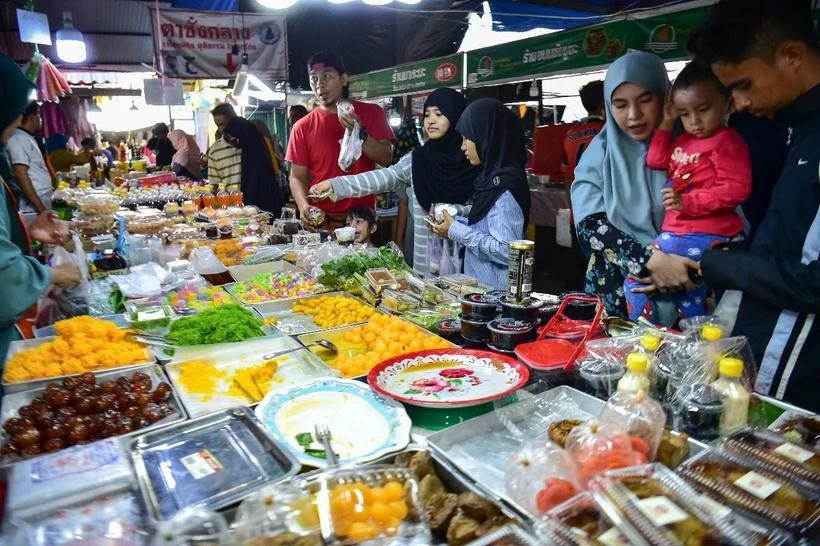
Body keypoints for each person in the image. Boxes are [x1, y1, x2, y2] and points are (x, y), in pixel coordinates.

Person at [687, 0, 820, 411]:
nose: (740, 104)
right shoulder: (798, 128)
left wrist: (716, 264)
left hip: (799, 366)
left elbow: (813, 280)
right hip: (763, 344)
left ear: (792, 56)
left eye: (743, 85)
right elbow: (790, 238)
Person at [571, 51, 698, 324]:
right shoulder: (599, 154)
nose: (633, 115)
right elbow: (591, 226)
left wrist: (683, 269)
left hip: (685, 290)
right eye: (619, 105)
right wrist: (653, 263)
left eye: (645, 100)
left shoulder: (692, 149)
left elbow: (719, 218)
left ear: (665, 97)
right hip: (616, 293)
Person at [625, 61, 752, 321]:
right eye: (684, 113)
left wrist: (688, 202)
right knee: (656, 284)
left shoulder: (727, 141)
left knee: (675, 289)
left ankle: (667, 335)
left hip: (707, 233)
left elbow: (736, 189)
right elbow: (655, 160)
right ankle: (657, 332)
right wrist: (667, 122)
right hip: (676, 233)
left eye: (703, 110)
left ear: (727, 104)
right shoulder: (683, 141)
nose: (694, 121)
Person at [308, 88, 479, 277]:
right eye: (427, 114)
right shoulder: (417, 160)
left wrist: (453, 213)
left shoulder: (473, 160)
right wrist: (335, 185)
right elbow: (382, 178)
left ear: (456, 117)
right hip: (425, 266)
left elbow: (483, 210)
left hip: (468, 267)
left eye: (438, 114)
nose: (430, 120)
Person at [0, 53, 82, 365]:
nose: (19, 116)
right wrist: (52, 274)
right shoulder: (18, 143)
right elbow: (4, 282)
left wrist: (25, 229)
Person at [287, 51, 395, 230]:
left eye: (327, 76)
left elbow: (386, 157)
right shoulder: (302, 126)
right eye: (313, 78)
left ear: (344, 79)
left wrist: (359, 132)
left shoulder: (372, 113)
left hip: (361, 221)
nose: (319, 84)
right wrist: (303, 206)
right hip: (322, 220)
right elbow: (297, 176)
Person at [430, 98, 530, 290]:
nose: (463, 146)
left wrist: (457, 231)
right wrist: (453, 225)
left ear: (487, 136)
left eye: (468, 138)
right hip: (481, 293)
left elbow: (508, 251)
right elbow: (489, 229)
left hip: (495, 298)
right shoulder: (491, 181)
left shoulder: (504, 187)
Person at [222, 117, 283, 214]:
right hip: (267, 202)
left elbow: (253, 181)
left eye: (235, 138)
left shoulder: (253, 152)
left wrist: (247, 205)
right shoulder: (257, 144)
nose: (234, 143)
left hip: (260, 205)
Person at [6, 102, 53, 214]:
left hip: (42, 197)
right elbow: (20, 174)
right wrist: (40, 208)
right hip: (33, 204)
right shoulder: (18, 139)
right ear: (32, 117)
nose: (41, 119)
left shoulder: (26, 138)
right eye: (39, 115)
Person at [562, 80, 605, 183]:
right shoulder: (607, 131)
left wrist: (570, 199)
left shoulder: (569, 135)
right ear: (603, 103)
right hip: (602, 194)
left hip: (578, 194)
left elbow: (566, 175)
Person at [208, 103, 243, 190]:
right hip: (231, 201)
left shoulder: (249, 142)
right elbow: (214, 183)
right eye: (218, 125)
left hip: (253, 201)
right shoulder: (215, 150)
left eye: (223, 124)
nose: (221, 129)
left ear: (234, 120)